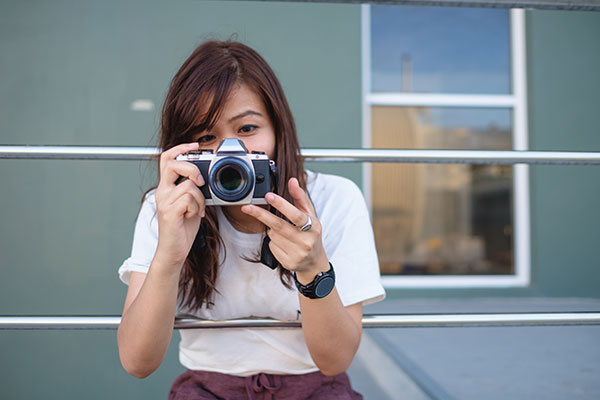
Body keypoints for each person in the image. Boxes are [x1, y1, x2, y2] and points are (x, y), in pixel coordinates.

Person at [117, 40, 385, 399]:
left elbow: (335, 362)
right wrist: (169, 255)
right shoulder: (167, 207)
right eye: (206, 137)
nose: (232, 153)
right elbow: (137, 362)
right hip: (207, 387)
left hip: (315, 387)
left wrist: (312, 267)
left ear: (278, 129)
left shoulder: (334, 199)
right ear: (184, 148)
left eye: (247, 129)